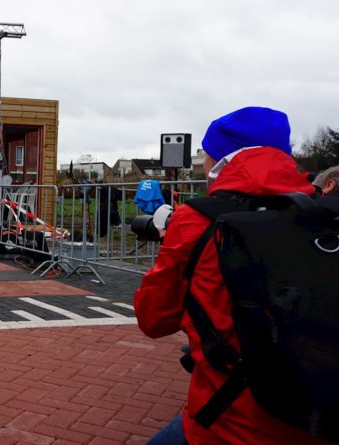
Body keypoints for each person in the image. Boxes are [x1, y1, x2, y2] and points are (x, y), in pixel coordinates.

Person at [135, 107, 322, 445]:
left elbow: (153, 319)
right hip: (319, 416)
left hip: (231, 422)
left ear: (218, 160)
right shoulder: (323, 213)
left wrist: (174, 251)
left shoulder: (197, 219)